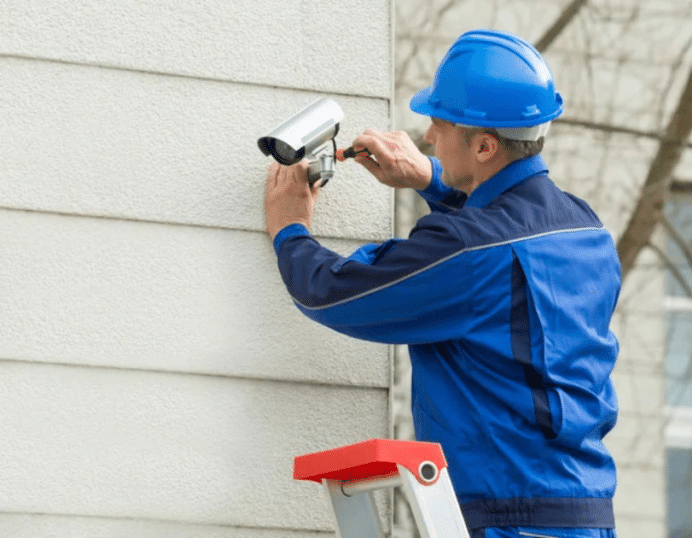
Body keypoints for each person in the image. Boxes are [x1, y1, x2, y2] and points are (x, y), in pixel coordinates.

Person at [264, 29, 620, 538]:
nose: (428, 136)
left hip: (511, 522)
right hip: (585, 518)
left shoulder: (469, 251)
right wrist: (432, 177)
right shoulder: (586, 231)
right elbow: (504, 247)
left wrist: (290, 229)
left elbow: (334, 291)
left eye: (439, 123)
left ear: (483, 144)